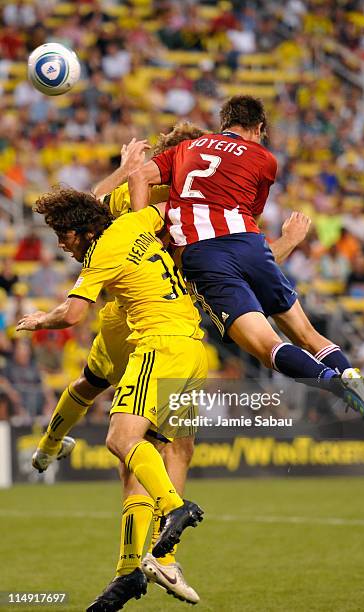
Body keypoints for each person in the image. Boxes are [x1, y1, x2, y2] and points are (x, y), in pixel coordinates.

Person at [28, 128, 312, 606]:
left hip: (153, 322)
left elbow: (99, 206)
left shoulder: (162, 205)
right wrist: (283, 246)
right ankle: (157, 551)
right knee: (159, 445)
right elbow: (98, 209)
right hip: (159, 324)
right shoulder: (187, 208)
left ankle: (143, 552)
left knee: (133, 432)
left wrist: (129, 170)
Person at [128, 95, 364, 441]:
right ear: (259, 129)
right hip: (249, 245)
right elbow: (249, 215)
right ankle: (356, 384)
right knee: (309, 335)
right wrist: (287, 240)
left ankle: (335, 385)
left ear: (224, 122)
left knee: (268, 347)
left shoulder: (188, 147)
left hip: (203, 255)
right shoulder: (264, 159)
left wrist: (143, 233)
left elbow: (138, 176)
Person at [16, 187, 207, 612]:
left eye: (63, 234)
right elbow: (165, 208)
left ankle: (174, 512)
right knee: (160, 452)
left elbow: (70, 315)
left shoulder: (102, 256)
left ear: (85, 230)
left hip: (157, 344)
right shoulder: (134, 223)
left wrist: (37, 320)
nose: (61, 243)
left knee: (121, 441)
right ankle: (147, 565)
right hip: (193, 347)